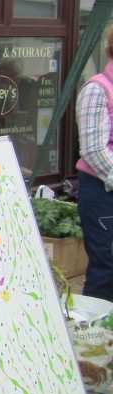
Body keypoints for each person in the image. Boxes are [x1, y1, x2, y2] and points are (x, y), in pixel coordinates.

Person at [74, 20, 113, 302]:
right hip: (102, 192)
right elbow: (94, 151)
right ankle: (94, 327)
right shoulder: (97, 89)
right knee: (106, 269)